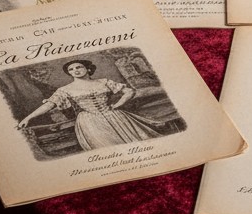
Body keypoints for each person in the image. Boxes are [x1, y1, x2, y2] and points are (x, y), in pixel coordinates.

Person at [16, 58, 161, 149]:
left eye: (78, 67)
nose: (75, 70)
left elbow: (129, 92)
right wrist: (28, 118)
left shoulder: (103, 82)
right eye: (71, 69)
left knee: (140, 144)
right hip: (90, 121)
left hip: (116, 116)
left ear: (87, 69)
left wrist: (118, 105)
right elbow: (49, 105)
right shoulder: (66, 89)